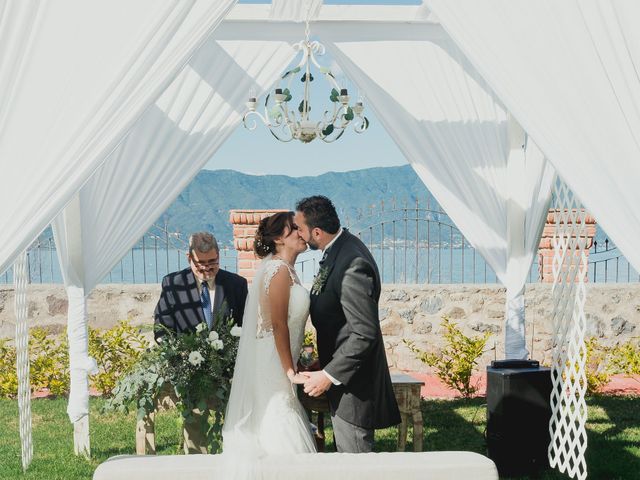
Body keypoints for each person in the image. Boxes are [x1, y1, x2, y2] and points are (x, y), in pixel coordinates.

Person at [294, 195, 401, 453]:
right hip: (343, 378)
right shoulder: (337, 250)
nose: (298, 233)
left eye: (300, 228)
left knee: (355, 464)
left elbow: (364, 333)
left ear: (316, 232)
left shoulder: (353, 263)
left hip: (354, 387)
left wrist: (329, 376)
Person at [222, 212, 316, 477]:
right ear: (278, 238)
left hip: (281, 357)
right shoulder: (277, 270)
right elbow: (278, 325)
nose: (301, 233)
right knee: (277, 416)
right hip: (273, 361)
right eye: (293, 229)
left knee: (278, 414)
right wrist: (290, 371)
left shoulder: (288, 271)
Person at [153, 231, 248, 453]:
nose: (207, 268)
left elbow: (246, 327)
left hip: (228, 372)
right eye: (201, 263)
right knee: (194, 425)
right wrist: (179, 355)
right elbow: (161, 327)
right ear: (189, 258)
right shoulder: (173, 284)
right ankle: (196, 463)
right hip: (189, 374)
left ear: (219, 257)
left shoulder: (236, 285)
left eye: (212, 262)